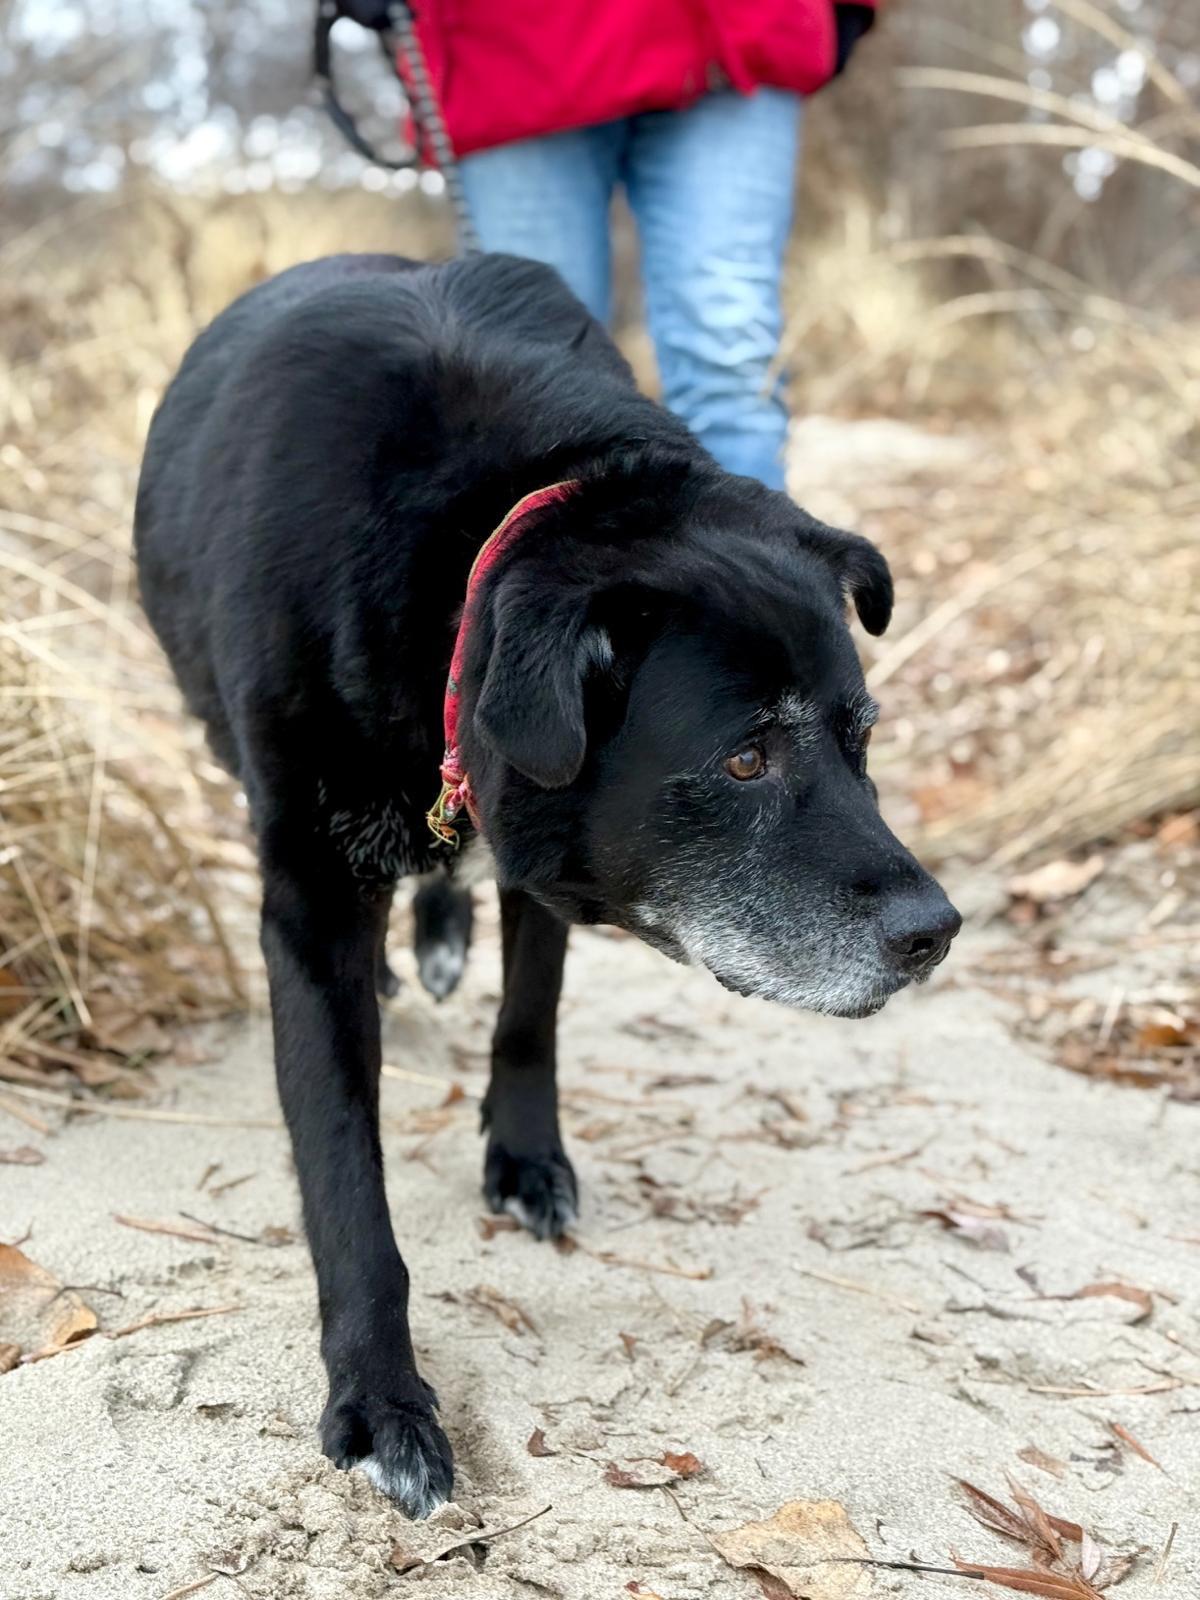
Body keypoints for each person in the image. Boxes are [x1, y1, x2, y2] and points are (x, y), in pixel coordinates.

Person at [335, 2, 878, 490]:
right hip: (505, 48)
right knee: (533, 375)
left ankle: (754, 591)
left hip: (734, 35)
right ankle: (555, 591)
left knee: (728, 354)